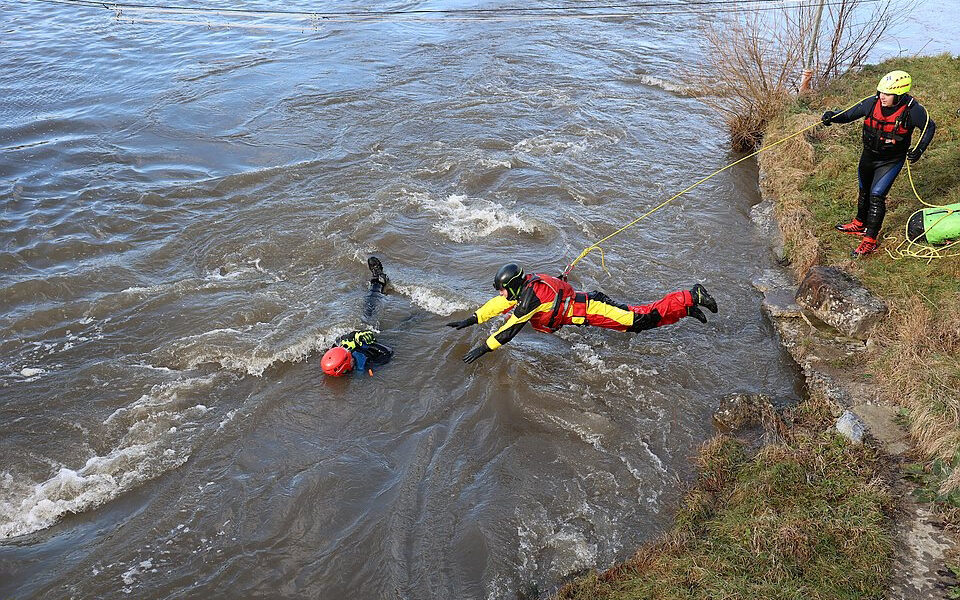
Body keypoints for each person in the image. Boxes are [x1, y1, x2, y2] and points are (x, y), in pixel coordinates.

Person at [446, 263, 718, 364]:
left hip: (592, 308)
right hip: (588, 312)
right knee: (636, 325)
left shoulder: (529, 299)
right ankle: (685, 309)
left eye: (504, 290)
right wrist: (473, 318)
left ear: (515, 287)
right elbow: (498, 306)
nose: (502, 294)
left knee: (639, 319)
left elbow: (509, 330)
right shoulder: (525, 287)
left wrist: (483, 348)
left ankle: (690, 295)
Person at [821, 69, 936, 257]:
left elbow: (929, 127)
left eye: (887, 94)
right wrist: (832, 116)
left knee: (876, 196)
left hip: (890, 161)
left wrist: (919, 150)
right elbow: (849, 114)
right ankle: (859, 223)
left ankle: (870, 241)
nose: (882, 97)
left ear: (899, 95)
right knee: (864, 190)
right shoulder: (872, 102)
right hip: (868, 156)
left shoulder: (913, 110)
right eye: (881, 92)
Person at [320, 257, 394, 377]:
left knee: (369, 309)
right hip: (375, 340)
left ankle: (378, 280)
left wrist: (353, 336)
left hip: (361, 332)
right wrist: (369, 348)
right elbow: (388, 353)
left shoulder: (339, 348)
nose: (349, 353)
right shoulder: (359, 366)